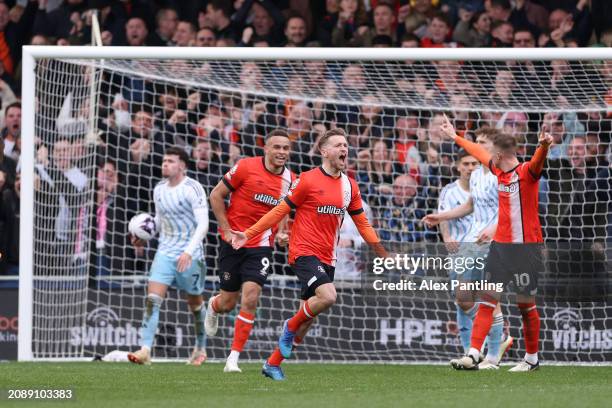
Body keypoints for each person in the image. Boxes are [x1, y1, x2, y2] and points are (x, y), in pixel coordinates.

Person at [231, 128, 387, 380]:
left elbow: (363, 224)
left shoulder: (350, 186)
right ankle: (288, 326)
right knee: (328, 296)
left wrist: (380, 251)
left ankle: (272, 364)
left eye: (346, 145)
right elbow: (278, 211)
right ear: (324, 152)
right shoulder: (307, 180)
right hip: (303, 252)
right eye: (338, 145)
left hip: (328, 257)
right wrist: (249, 233)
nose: (344, 149)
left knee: (306, 324)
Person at [438, 115, 553, 372]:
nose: (485, 159)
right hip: (500, 249)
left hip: (526, 250)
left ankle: (531, 358)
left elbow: (537, 162)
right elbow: (476, 150)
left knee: (526, 306)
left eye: (491, 154)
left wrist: (544, 146)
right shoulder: (498, 171)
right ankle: (473, 354)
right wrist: (454, 136)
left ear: (500, 155)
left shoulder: (526, 173)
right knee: (487, 300)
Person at [205, 129, 295, 373]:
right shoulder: (245, 167)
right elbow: (216, 195)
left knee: (251, 296)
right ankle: (213, 305)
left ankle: (233, 359)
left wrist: (282, 233)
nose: (282, 152)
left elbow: (283, 211)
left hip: (260, 244)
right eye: (277, 147)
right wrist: (225, 230)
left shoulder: (290, 180)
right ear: (266, 148)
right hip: (233, 242)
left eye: (286, 148)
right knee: (227, 302)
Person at [423, 131, 513, 369]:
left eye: (482, 143)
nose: (476, 146)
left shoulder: (500, 174)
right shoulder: (476, 176)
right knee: (464, 298)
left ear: (494, 148)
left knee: (488, 298)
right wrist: (440, 216)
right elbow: (470, 206)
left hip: (495, 242)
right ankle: (497, 340)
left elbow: (511, 209)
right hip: (473, 241)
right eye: (476, 142)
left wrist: (494, 229)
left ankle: (490, 357)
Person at [127, 147, 210, 366]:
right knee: (152, 300)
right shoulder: (159, 189)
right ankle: (145, 349)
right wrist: (145, 236)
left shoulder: (193, 188)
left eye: (171, 161)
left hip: (191, 256)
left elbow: (204, 224)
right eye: (164, 160)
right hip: (165, 251)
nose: (165, 164)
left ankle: (200, 348)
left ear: (182, 165)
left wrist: (188, 251)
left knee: (195, 305)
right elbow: (159, 220)